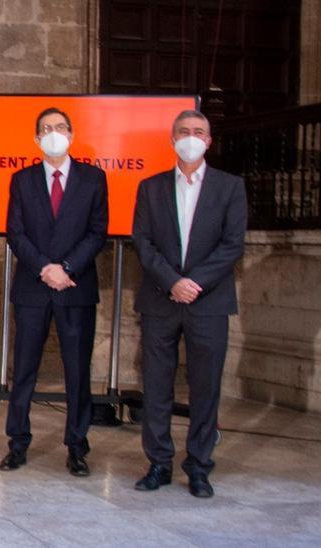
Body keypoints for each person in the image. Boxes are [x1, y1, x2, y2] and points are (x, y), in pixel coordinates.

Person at [131, 110, 246, 498]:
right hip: (161, 299)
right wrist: (173, 282)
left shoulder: (230, 187)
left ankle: (199, 465)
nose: (191, 137)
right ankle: (158, 463)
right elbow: (143, 243)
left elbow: (232, 244)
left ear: (209, 141)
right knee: (157, 385)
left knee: (205, 386)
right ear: (172, 139)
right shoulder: (150, 187)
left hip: (209, 302)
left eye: (198, 132)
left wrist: (193, 283)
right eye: (184, 132)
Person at [0, 107, 108, 477]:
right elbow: (15, 232)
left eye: (60, 127)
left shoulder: (94, 179)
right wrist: (45, 268)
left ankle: (77, 446)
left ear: (72, 134)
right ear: (36, 139)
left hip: (76, 288)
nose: (54, 133)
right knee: (25, 368)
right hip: (33, 286)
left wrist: (66, 269)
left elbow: (97, 232)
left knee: (77, 370)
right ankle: (17, 443)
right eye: (46, 129)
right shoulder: (22, 179)